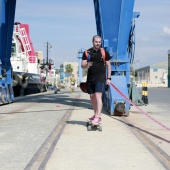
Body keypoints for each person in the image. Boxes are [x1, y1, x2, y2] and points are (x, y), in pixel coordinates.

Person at [81, 35, 111, 125]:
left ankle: (98, 117)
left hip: (100, 77)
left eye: (99, 42)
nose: (98, 43)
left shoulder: (104, 52)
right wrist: (87, 65)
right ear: (92, 42)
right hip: (90, 78)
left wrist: (108, 78)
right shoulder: (87, 52)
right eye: (96, 42)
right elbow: (82, 66)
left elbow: (109, 66)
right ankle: (95, 115)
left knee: (98, 95)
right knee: (92, 97)